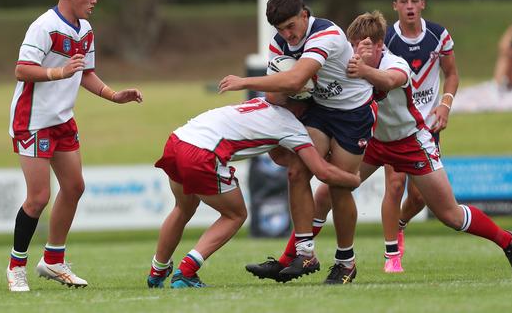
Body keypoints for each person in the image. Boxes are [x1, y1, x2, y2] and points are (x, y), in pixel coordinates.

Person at [347, 10, 512, 280]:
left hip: (411, 140)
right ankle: (299, 255)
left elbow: (388, 80)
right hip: (375, 142)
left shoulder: (395, 63)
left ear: (378, 45)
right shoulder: (351, 63)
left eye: (362, 46)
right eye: (353, 46)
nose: (356, 52)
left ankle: (507, 241)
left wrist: (364, 70)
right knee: (332, 188)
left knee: (450, 216)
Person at [219, 0, 376, 284]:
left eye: (291, 26)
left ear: (305, 15)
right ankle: (305, 253)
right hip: (318, 110)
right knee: (296, 171)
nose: (287, 35)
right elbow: (275, 94)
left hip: (352, 112)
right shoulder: (279, 43)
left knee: (337, 186)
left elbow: (293, 79)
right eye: (280, 29)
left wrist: (244, 81)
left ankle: (346, 261)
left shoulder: (325, 33)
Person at [5, 0, 142, 292]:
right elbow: (22, 70)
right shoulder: (45, 26)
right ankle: (16, 267)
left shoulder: (85, 29)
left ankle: (53, 260)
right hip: (33, 120)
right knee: (38, 198)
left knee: (75, 187)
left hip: (62, 119)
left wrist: (113, 96)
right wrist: (58, 73)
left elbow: (86, 73)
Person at [146, 93, 361, 289]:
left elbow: (278, 157)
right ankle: (186, 272)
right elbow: (322, 172)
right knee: (235, 215)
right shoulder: (293, 126)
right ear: (304, 106)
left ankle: (157, 271)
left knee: (183, 209)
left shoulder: (260, 103)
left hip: (177, 141)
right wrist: (352, 177)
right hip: (202, 152)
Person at [378, 0, 460, 273]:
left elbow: (451, 75)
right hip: (397, 124)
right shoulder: (386, 39)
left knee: (420, 197)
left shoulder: (439, 35)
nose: (409, 6)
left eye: (414, 0)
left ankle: (399, 223)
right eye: (404, 1)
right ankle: (392, 256)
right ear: (395, 7)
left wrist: (445, 105)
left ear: (423, 4)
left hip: (427, 126)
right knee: (395, 183)